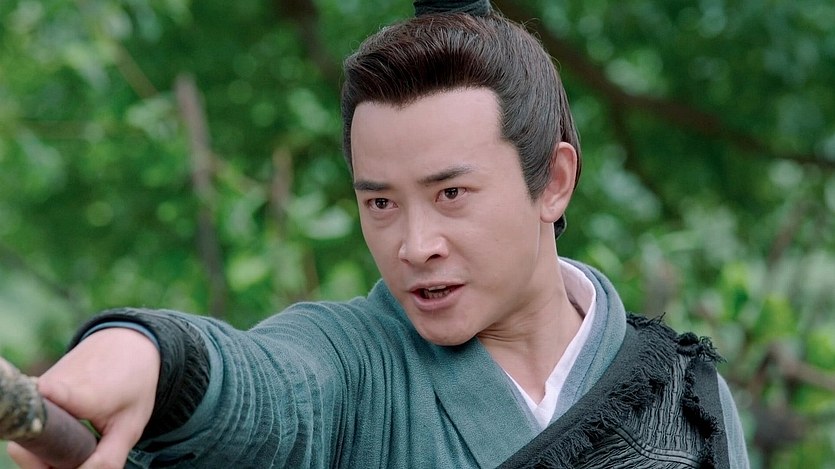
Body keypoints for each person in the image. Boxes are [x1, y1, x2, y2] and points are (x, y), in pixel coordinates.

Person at [9, 2, 750, 468]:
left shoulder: (686, 396)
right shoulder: (356, 366)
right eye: (381, 203)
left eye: (450, 194)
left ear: (553, 181)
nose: (414, 245)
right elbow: (269, 384)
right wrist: (155, 356)